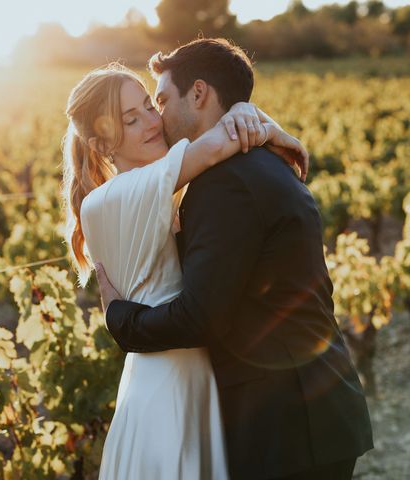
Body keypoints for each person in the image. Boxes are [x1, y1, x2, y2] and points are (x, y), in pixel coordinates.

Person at [94, 39, 374, 480]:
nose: (158, 118)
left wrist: (120, 319)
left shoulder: (226, 184)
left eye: (162, 100)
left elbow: (200, 317)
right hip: (310, 411)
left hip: (287, 426)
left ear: (200, 93)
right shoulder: (263, 159)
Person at [62, 48, 308, 479]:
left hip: (188, 374)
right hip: (168, 387)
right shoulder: (113, 198)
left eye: (148, 107)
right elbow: (218, 139)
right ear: (102, 144)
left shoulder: (156, 190)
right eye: (131, 119)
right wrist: (275, 132)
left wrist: (250, 117)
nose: (153, 122)